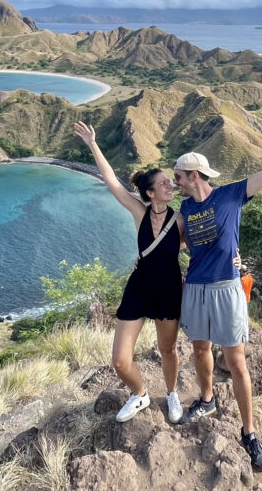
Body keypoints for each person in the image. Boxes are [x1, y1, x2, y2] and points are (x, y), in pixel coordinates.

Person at [173, 114, 262, 471]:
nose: (175, 181)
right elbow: (170, 245)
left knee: (236, 363)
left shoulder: (231, 195)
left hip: (226, 288)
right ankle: (206, 398)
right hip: (195, 288)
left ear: (194, 176)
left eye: (177, 176)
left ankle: (249, 433)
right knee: (200, 347)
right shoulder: (185, 209)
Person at [73, 120, 186, 424]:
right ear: (149, 193)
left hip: (168, 287)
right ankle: (140, 393)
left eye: (170, 182)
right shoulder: (139, 211)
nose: (170, 185)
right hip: (139, 285)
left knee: (167, 348)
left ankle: (172, 392)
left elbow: (203, 246)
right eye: (164, 183)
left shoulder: (180, 219)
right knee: (120, 361)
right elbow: (110, 180)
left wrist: (233, 258)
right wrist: (92, 144)